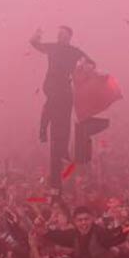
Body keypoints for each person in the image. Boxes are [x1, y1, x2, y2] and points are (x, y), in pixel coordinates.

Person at [30, 26, 94, 187]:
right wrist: (36, 35)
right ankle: (43, 131)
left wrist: (88, 67)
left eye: (63, 34)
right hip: (52, 83)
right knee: (51, 103)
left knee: (65, 117)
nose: (60, 36)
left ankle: (63, 149)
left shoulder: (74, 51)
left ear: (69, 37)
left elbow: (90, 61)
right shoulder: (52, 47)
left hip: (65, 85)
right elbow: (35, 44)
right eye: (59, 34)